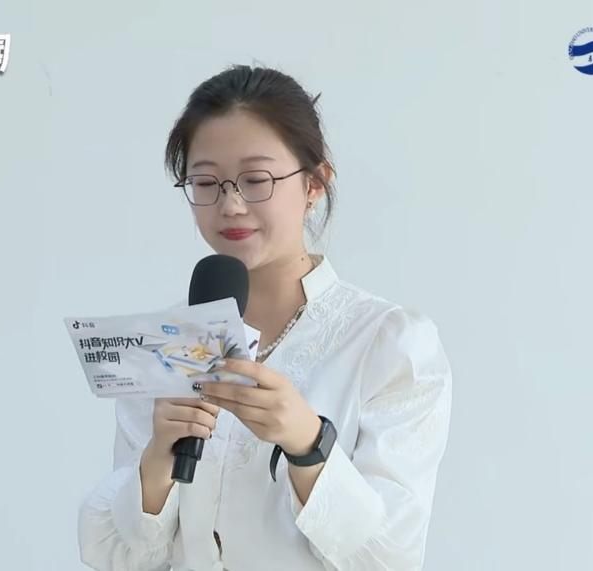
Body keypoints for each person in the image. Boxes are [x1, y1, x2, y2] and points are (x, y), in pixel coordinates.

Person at [77, 64, 453, 571]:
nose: (230, 205)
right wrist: (159, 456)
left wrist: (308, 444)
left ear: (315, 183)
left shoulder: (390, 344)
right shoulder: (167, 341)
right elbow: (117, 556)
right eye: (206, 182)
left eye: (256, 180)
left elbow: (393, 557)